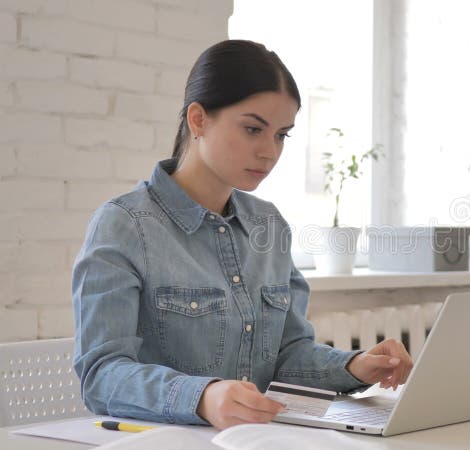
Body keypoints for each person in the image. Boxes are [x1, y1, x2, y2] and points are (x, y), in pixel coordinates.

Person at [72, 40, 413, 430]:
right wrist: (203, 397)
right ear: (198, 120)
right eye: (253, 129)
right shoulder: (124, 225)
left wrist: (354, 365)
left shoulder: (269, 226)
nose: (269, 152)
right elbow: (102, 375)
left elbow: (286, 357)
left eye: (282, 135)